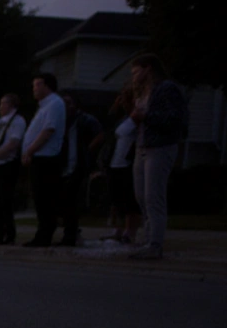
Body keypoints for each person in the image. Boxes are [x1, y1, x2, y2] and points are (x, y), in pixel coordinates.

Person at [128, 53, 188, 260]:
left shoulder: (166, 89)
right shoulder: (142, 92)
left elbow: (174, 118)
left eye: (136, 71)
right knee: (142, 197)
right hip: (143, 146)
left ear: (148, 69)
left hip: (160, 147)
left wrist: (145, 116)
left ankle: (155, 244)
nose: (134, 76)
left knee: (154, 197)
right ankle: (147, 240)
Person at [20, 73, 68, 247]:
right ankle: (42, 233)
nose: (34, 89)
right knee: (40, 198)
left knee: (45, 198)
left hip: (46, 158)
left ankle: (45, 234)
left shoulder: (54, 104)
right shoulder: (44, 106)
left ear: (47, 86)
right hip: (39, 157)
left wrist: (30, 150)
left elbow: (48, 130)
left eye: (37, 85)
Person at [57, 93, 105, 247]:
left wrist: (88, 150)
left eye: (69, 103)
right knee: (64, 200)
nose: (67, 106)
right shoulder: (61, 122)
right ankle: (70, 232)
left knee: (71, 198)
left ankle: (70, 235)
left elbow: (100, 135)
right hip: (64, 165)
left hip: (79, 164)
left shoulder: (84, 119)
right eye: (64, 103)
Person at [0, 95, 26, 246]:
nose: (0, 107)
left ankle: (9, 233)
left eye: (3, 103)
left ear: (12, 105)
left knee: (5, 200)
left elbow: (13, 143)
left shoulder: (17, 121)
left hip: (7, 164)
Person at [102, 85, 141, 244]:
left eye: (127, 100)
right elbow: (109, 128)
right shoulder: (121, 119)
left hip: (128, 163)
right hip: (115, 162)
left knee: (130, 199)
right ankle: (117, 229)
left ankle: (130, 232)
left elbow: (125, 132)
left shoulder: (137, 119)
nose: (124, 103)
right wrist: (115, 107)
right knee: (115, 198)